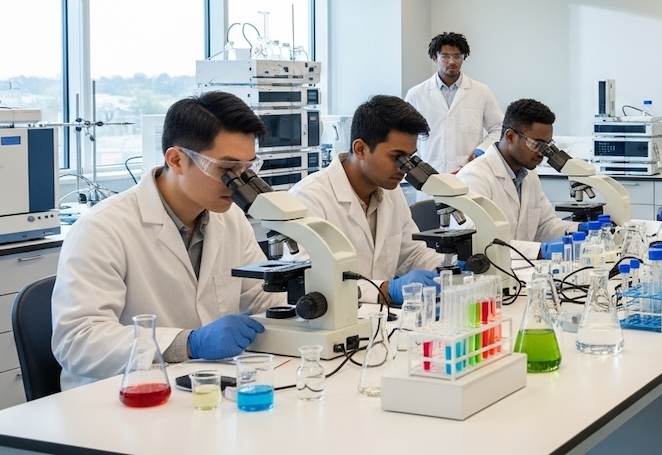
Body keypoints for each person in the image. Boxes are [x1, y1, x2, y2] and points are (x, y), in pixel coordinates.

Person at [52, 92, 286, 389]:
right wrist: (188, 343)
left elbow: (262, 299)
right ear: (176, 160)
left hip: (203, 386)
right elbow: (78, 340)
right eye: (227, 170)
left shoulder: (230, 219)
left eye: (246, 169)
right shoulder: (102, 228)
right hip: (119, 395)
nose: (238, 182)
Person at [290, 95, 442, 305]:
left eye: (409, 158)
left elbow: (411, 255)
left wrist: (448, 269)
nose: (404, 168)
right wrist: (384, 290)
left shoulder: (391, 191)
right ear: (360, 149)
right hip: (334, 320)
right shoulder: (308, 198)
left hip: (383, 319)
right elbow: (306, 281)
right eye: (397, 157)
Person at [455, 98, 578, 261]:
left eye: (547, 146)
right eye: (537, 144)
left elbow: (545, 225)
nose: (542, 153)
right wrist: (540, 251)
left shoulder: (529, 175)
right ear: (510, 136)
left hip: (523, 270)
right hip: (489, 272)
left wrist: (580, 231)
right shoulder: (474, 177)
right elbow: (475, 241)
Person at [404, 31, 503, 175]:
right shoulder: (416, 94)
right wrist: (416, 164)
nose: (452, 61)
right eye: (445, 56)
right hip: (429, 173)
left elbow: (499, 127)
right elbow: (403, 133)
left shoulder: (481, 91)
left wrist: (481, 151)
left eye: (457, 56)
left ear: (463, 58)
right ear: (434, 58)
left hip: (469, 172)